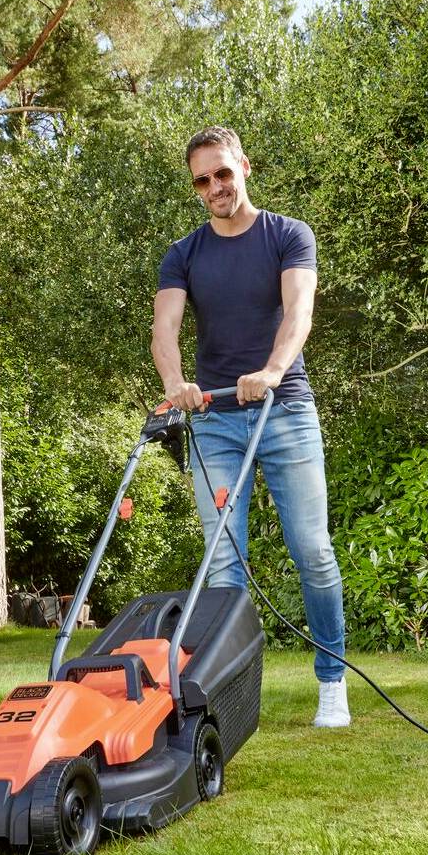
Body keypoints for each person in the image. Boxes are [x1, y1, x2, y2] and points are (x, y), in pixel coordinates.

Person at [152, 126, 351, 728]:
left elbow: (300, 311)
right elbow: (164, 329)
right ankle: (231, 699)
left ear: (243, 166)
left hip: (284, 411)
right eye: (202, 180)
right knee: (222, 565)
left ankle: (332, 683)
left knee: (312, 552)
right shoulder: (184, 254)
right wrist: (175, 385)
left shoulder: (288, 236)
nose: (215, 186)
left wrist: (271, 369)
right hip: (215, 423)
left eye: (222, 173)